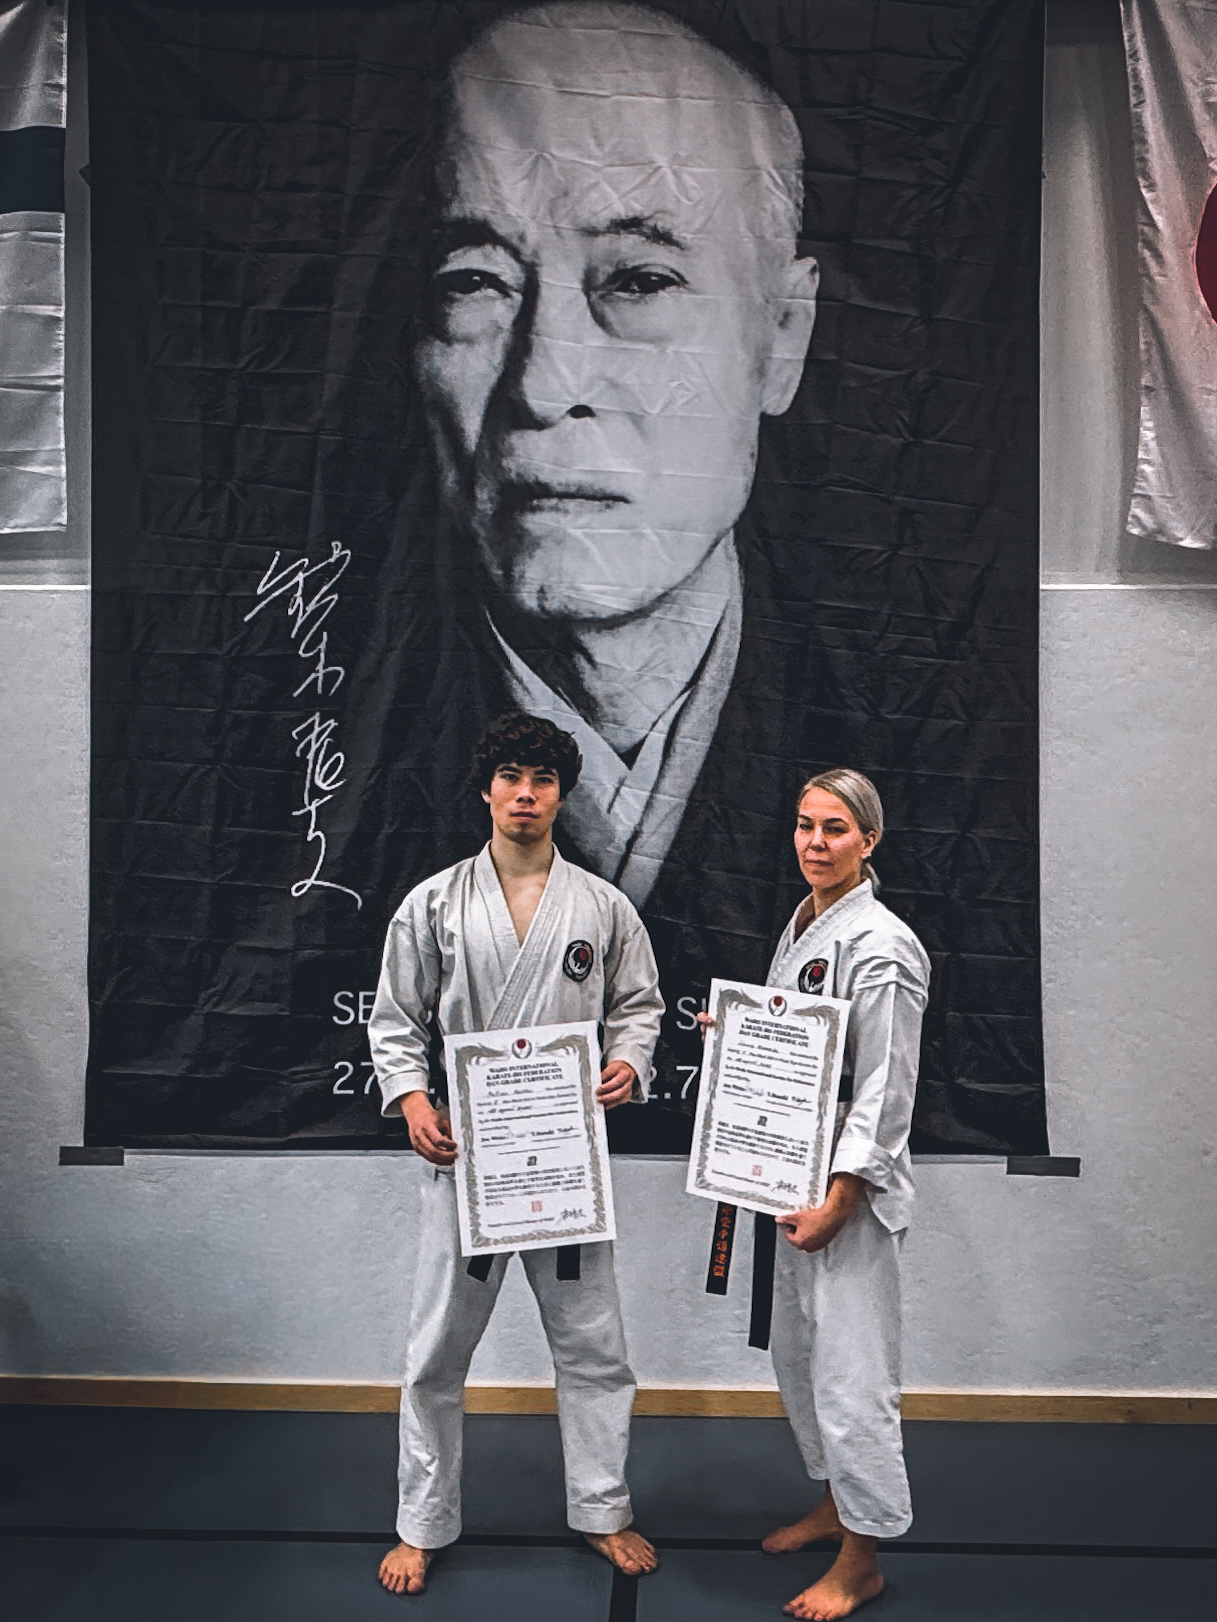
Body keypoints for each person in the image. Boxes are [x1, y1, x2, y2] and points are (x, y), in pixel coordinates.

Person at [369, 710, 664, 1596]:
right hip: (468, 1154)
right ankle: (421, 1523)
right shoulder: (433, 902)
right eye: (510, 777)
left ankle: (602, 1509)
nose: (525, 794)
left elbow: (639, 1005)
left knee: (593, 1345)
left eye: (541, 780)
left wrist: (627, 1061)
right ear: (486, 789)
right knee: (435, 1353)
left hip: (565, 1159)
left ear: (562, 795)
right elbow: (396, 1019)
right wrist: (413, 1099)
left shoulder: (601, 906)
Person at [701, 768, 929, 1621]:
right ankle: (835, 1503)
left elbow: (884, 1088)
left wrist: (842, 1194)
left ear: (869, 840)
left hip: (847, 1191)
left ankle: (862, 1558)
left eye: (834, 828)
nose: (815, 842)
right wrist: (738, 1038)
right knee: (797, 1354)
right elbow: (800, 1046)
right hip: (789, 1170)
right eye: (804, 825)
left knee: (851, 1372)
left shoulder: (881, 946)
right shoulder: (805, 925)